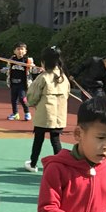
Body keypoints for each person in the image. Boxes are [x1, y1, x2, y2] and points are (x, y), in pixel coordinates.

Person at [24, 45, 70, 173]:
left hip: (44, 114)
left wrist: (31, 103)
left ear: (44, 61)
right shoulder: (63, 77)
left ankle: (33, 164)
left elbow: (33, 95)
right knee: (56, 140)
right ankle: (61, 166)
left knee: (38, 140)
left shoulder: (43, 77)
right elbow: (67, 94)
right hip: (59, 115)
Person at [0, 43, 33, 121]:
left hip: (23, 83)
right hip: (13, 83)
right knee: (13, 99)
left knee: (22, 98)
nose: (20, 51)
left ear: (25, 51)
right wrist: (0, 70)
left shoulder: (27, 60)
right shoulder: (12, 60)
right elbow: (7, 69)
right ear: (14, 51)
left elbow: (32, 70)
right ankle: (15, 114)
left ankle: (27, 112)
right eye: (18, 49)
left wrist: (39, 70)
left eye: (22, 49)